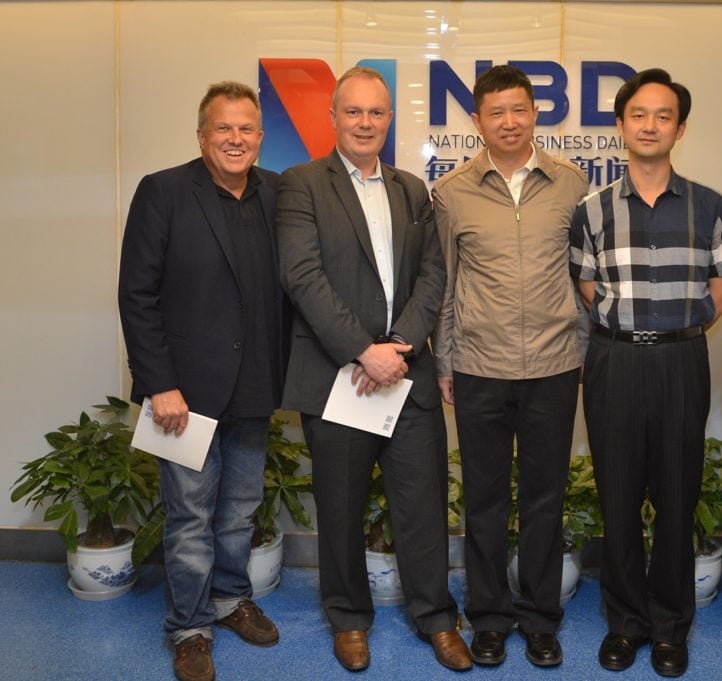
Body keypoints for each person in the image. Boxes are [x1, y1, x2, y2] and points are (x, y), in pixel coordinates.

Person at [275, 67, 471, 673]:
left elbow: (434, 273)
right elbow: (301, 276)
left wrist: (403, 342)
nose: (365, 123)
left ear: (390, 120)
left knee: (423, 505)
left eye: (376, 113)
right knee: (340, 505)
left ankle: (436, 618)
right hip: (339, 377)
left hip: (406, 376)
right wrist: (365, 350)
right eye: (353, 112)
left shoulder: (413, 189)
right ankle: (349, 618)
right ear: (333, 118)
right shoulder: (301, 184)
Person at [569, 68, 722, 678]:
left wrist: (684, 325)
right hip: (614, 360)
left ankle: (671, 626)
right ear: (620, 126)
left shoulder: (711, 204)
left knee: (676, 496)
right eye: (638, 115)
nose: (650, 125)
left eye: (663, 115)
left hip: (680, 360)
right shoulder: (590, 209)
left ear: (681, 128)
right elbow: (587, 288)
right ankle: (625, 623)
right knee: (617, 498)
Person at [118, 81, 285, 681]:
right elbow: (136, 295)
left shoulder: (275, 194)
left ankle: (228, 599)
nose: (236, 138)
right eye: (223, 128)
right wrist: (159, 383)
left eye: (247, 129)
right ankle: (189, 628)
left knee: (239, 509)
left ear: (261, 138)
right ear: (201, 135)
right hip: (182, 394)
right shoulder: (163, 191)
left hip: (255, 386)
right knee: (189, 516)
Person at [431, 64, 589, 668]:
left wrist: (582, 351)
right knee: (486, 500)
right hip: (479, 366)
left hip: (553, 364)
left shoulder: (572, 185)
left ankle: (541, 619)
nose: (508, 121)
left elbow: (585, 280)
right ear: (477, 121)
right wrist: (446, 360)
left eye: (518, 109)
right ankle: (490, 619)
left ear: (535, 114)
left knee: (547, 497)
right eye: (495, 111)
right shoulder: (452, 191)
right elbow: (445, 283)